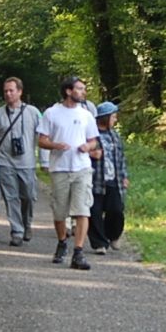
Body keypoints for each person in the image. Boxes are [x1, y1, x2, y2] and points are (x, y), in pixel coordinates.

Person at [37, 74, 101, 271]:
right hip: (60, 169)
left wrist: (88, 146)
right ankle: (62, 241)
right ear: (68, 91)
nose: (83, 92)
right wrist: (55, 144)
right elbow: (41, 140)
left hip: (82, 168)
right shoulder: (51, 113)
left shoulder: (86, 114)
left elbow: (94, 140)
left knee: (82, 210)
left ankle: (78, 252)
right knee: (60, 211)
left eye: (83, 89)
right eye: (80, 89)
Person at [0, 76, 41, 247]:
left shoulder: (33, 113)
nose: (8, 94)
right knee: (11, 198)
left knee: (28, 196)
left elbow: (41, 137)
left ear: (20, 92)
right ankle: (16, 231)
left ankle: (27, 223)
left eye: (11, 90)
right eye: (5, 91)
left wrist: (44, 160)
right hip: (5, 163)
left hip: (27, 163)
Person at [88, 100, 128, 255]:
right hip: (95, 179)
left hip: (114, 180)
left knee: (117, 210)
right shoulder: (91, 135)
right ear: (105, 118)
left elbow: (121, 157)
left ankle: (113, 235)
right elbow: (80, 151)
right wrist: (92, 154)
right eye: (113, 117)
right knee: (95, 212)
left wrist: (124, 176)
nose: (115, 119)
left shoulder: (115, 136)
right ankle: (99, 243)